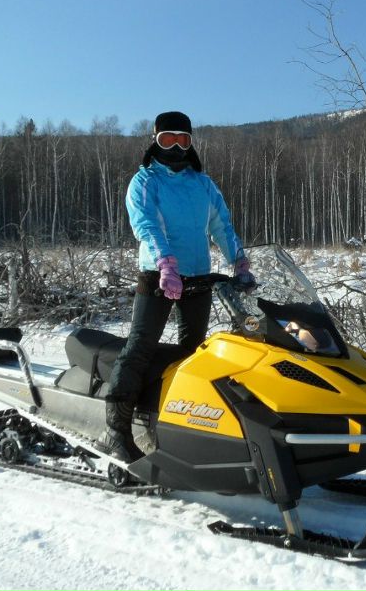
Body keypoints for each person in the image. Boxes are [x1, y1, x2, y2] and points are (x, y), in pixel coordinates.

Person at [96, 110, 252, 462]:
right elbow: (146, 224)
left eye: (183, 140)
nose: (177, 148)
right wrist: (165, 263)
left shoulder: (203, 184)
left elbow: (221, 225)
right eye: (168, 139)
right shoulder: (145, 181)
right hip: (159, 275)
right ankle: (115, 430)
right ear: (155, 140)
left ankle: (178, 424)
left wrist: (239, 261)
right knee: (140, 346)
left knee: (194, 352)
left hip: (198, 277)